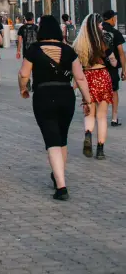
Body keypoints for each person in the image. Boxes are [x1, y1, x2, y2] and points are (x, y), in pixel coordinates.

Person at [18, 14, 92, 200]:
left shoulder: (34, 50)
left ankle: (61, 186)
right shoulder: (68, 50)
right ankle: (59, 173)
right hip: (66, 96)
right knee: (62, 138)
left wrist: (23, 89)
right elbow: (80, 77)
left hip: (43, 95)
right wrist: (88, 99)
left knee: (51, 140)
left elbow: (23, 74)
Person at [73, 13, 117, 160]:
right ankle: (100, 149)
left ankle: (88, 133)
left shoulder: (79, 44)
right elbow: (113, 61)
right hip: (102, 76)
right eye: (99, 24)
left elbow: (75, 66)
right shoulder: (102, 41)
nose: (101, 26)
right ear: (95, 25)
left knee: (89, 113)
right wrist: (113, 61)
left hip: (86, 78)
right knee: (102, 116)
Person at [101, 10, 126, 127]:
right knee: (114, 91)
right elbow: (121, 53)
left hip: (98, 67)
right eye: (115, 18)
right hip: (112, 67)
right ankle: (114, 118)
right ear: (111, 19)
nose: (115, 20)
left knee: (100, 91)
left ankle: (100, 116)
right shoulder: (115, 33)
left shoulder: (97, 31)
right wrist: (124, 70)